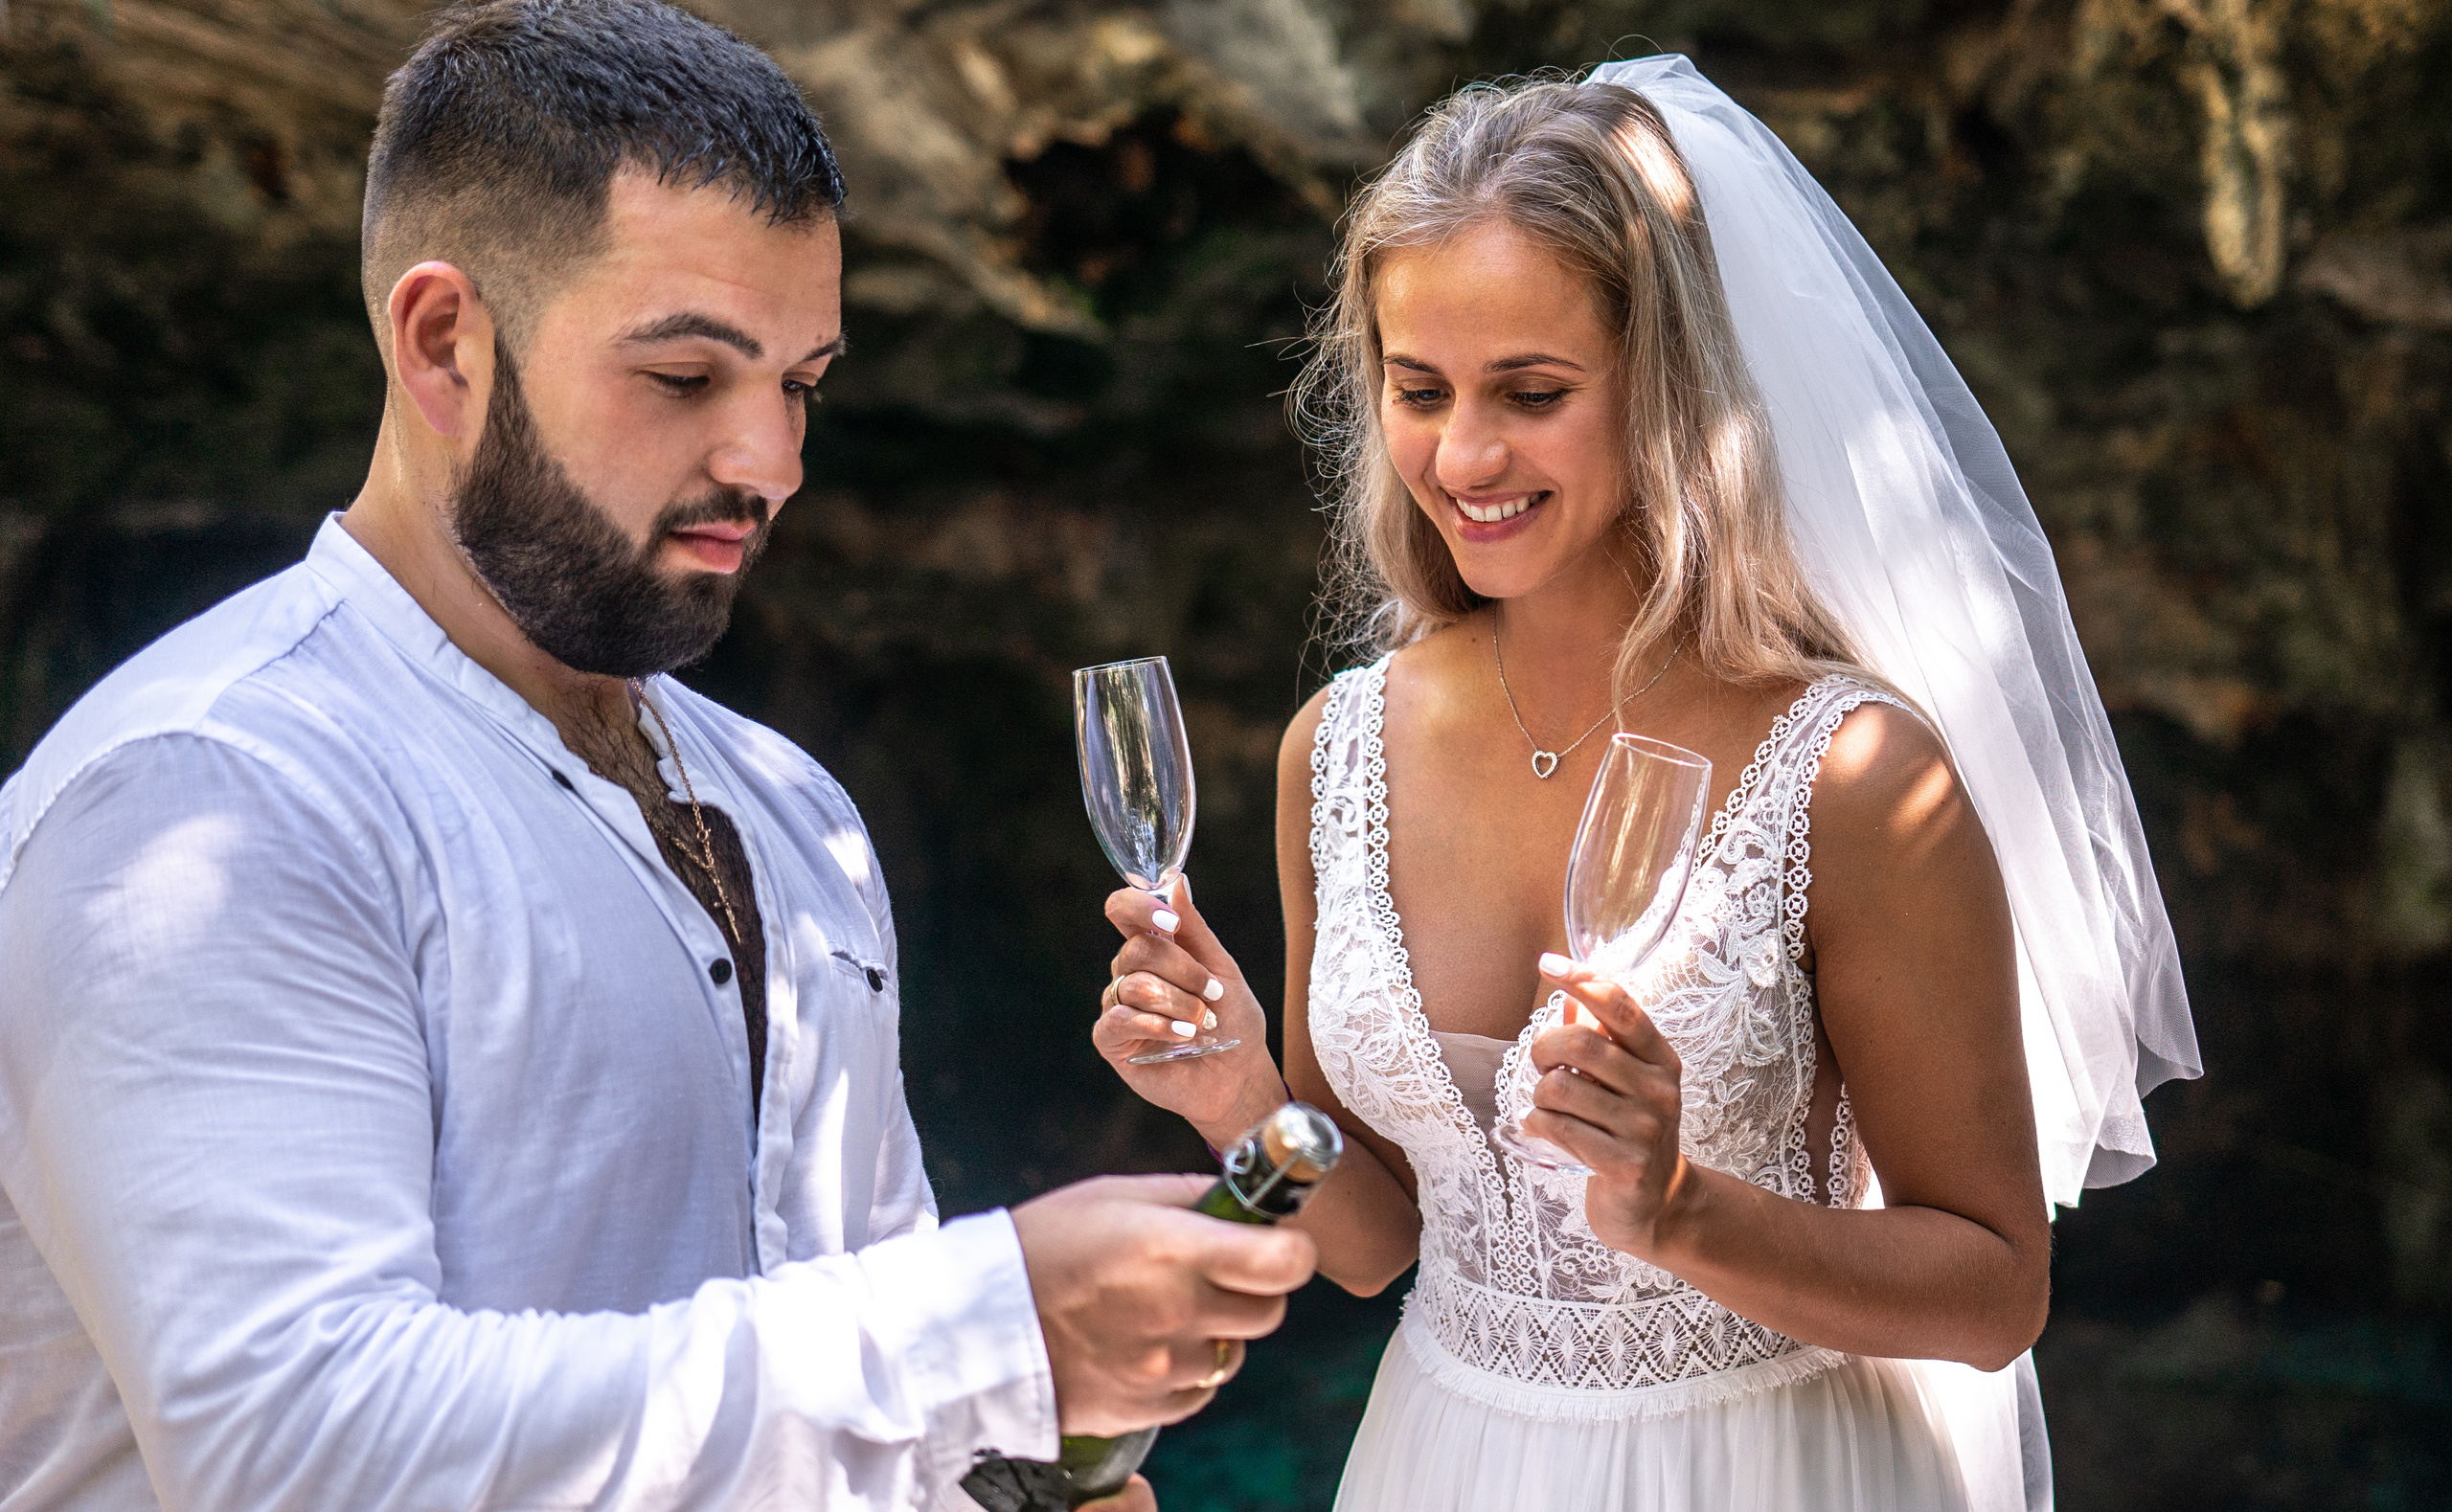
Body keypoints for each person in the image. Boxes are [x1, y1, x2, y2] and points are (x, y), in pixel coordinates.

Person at [0, 4, 1316, 1509]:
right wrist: (992, 1319)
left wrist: (1003, 1472)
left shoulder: (796, 810)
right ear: (445, 344)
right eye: (689, 377)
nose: (774, 463)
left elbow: (840, 1362)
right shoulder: (211, 795)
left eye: (802, 383)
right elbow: (301, 1453)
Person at [1091, 58, 2200, 1512]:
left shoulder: (1852, 774)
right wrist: (1234, 1092)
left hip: (1773, 1466)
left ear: (1666, 382)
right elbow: (1375, 1243)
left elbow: (1995, 1291)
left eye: (1533, 393)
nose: (1464, 454)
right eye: (1418, 390)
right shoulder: (1338, 749)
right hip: (1444, 1458)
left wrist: (1679, 1209)